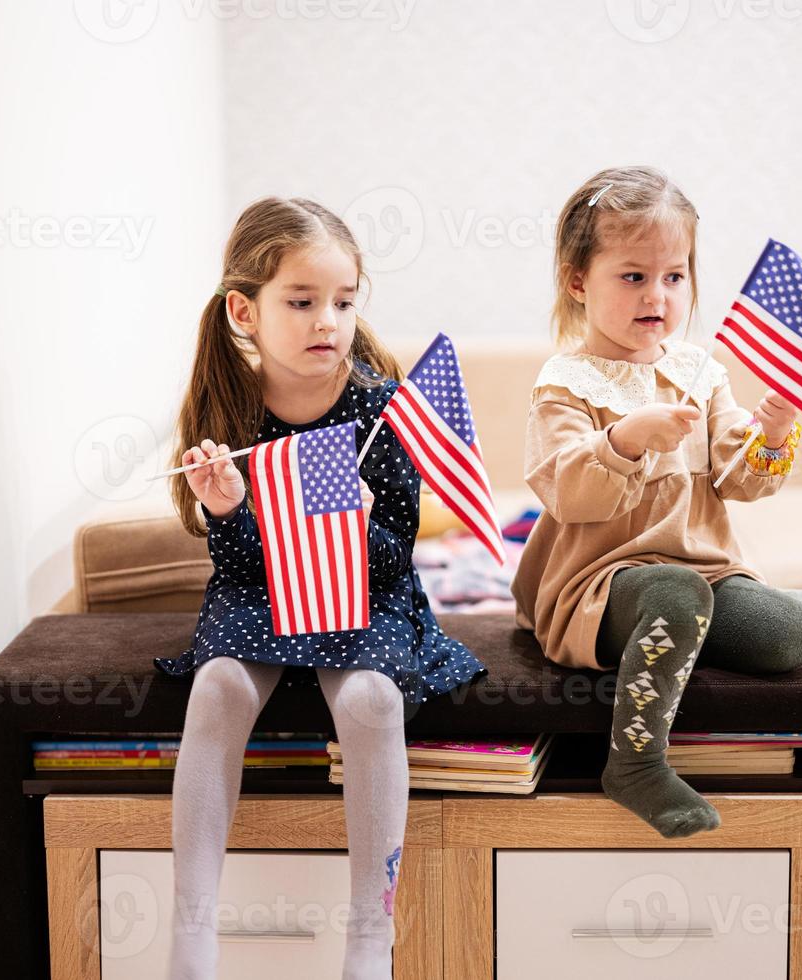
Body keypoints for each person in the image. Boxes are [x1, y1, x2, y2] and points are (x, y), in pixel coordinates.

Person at [155, 196, 487, 979]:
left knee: (372, 701)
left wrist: (361, 525)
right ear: (246, 310)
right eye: (301, 303)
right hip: (260, 592)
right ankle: (190, 936)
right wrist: (229, 509)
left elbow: (392, 561)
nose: (326, 322)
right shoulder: (226, 407)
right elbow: (236, 571)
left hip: (363, 592)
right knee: (218, 689)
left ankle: (371, 936)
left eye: (342, 302)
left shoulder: (380, 407)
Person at [511, 166, 802, 839]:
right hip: (601, 584)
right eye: (633, 276)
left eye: (674, 276)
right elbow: (567, 489)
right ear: (578, 281)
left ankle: (800, 604)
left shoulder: (699, 372)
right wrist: (623, 439)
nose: (658, 295)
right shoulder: (566, 384)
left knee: (790, 637)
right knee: (674, 597)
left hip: (700, 572)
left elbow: (740, 480)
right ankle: (636, 764)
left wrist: (773, 432)